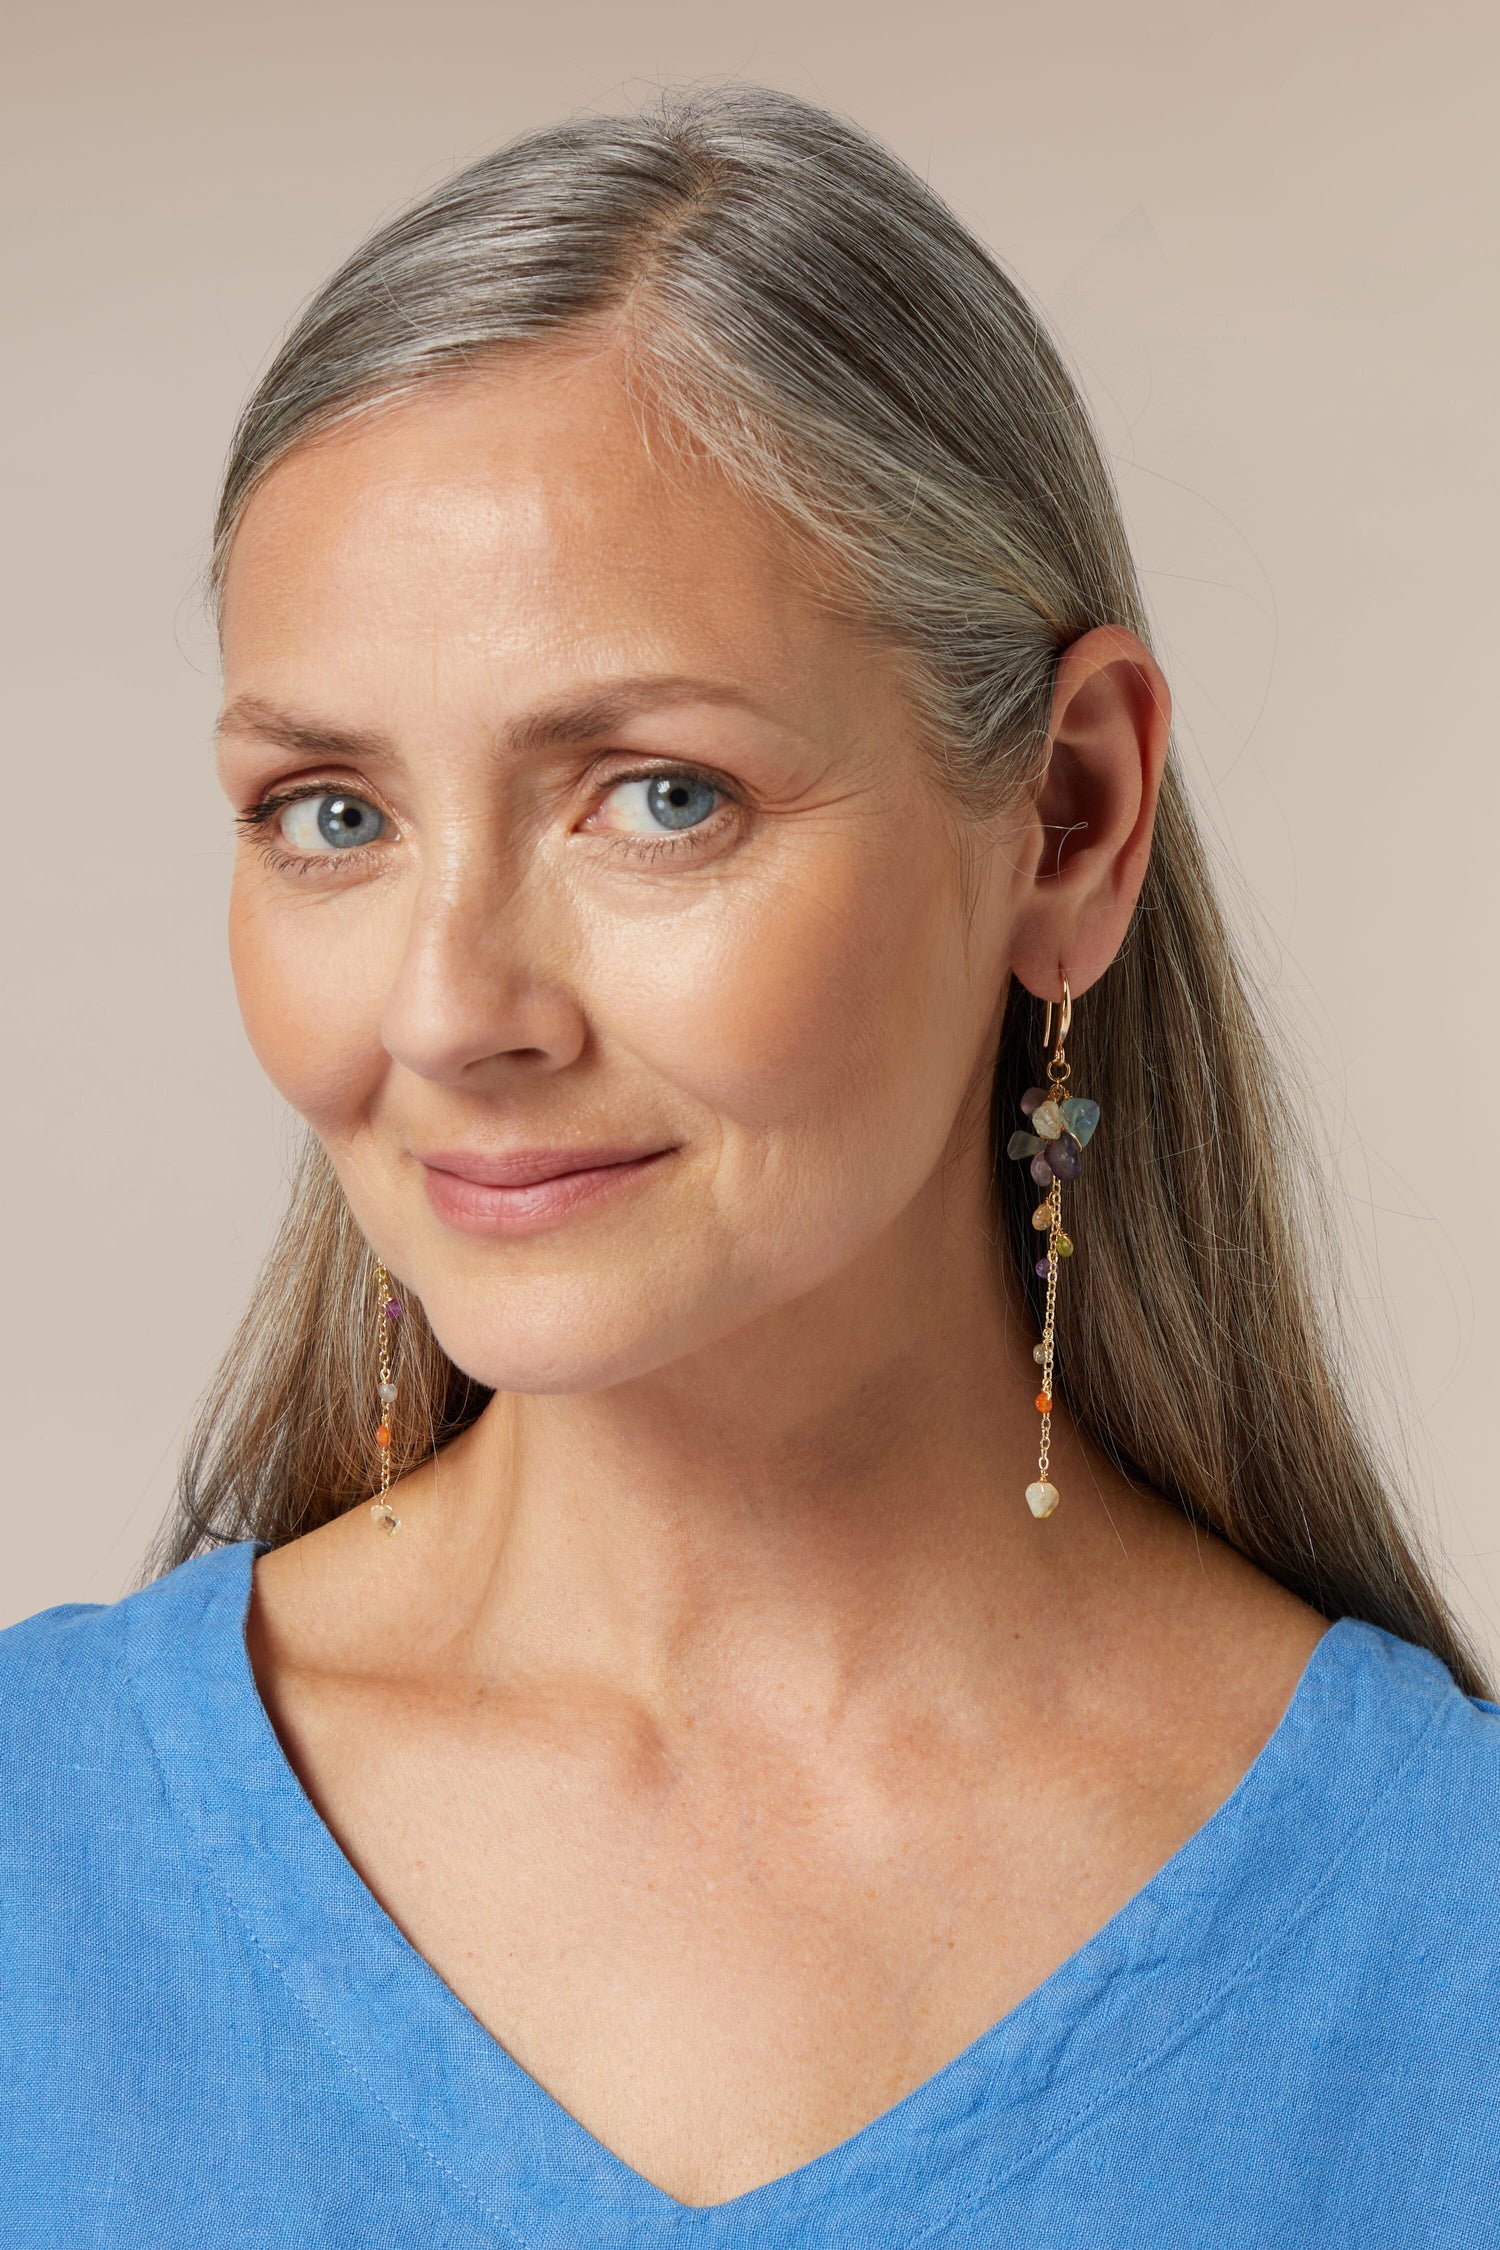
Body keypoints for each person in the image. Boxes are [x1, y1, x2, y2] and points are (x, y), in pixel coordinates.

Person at [2, 84, 1495, 2247]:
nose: (447, 1009)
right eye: (332, 812)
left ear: (1067, 819)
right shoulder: (35, 1865)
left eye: (657, 796)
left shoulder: (1445, 1955)